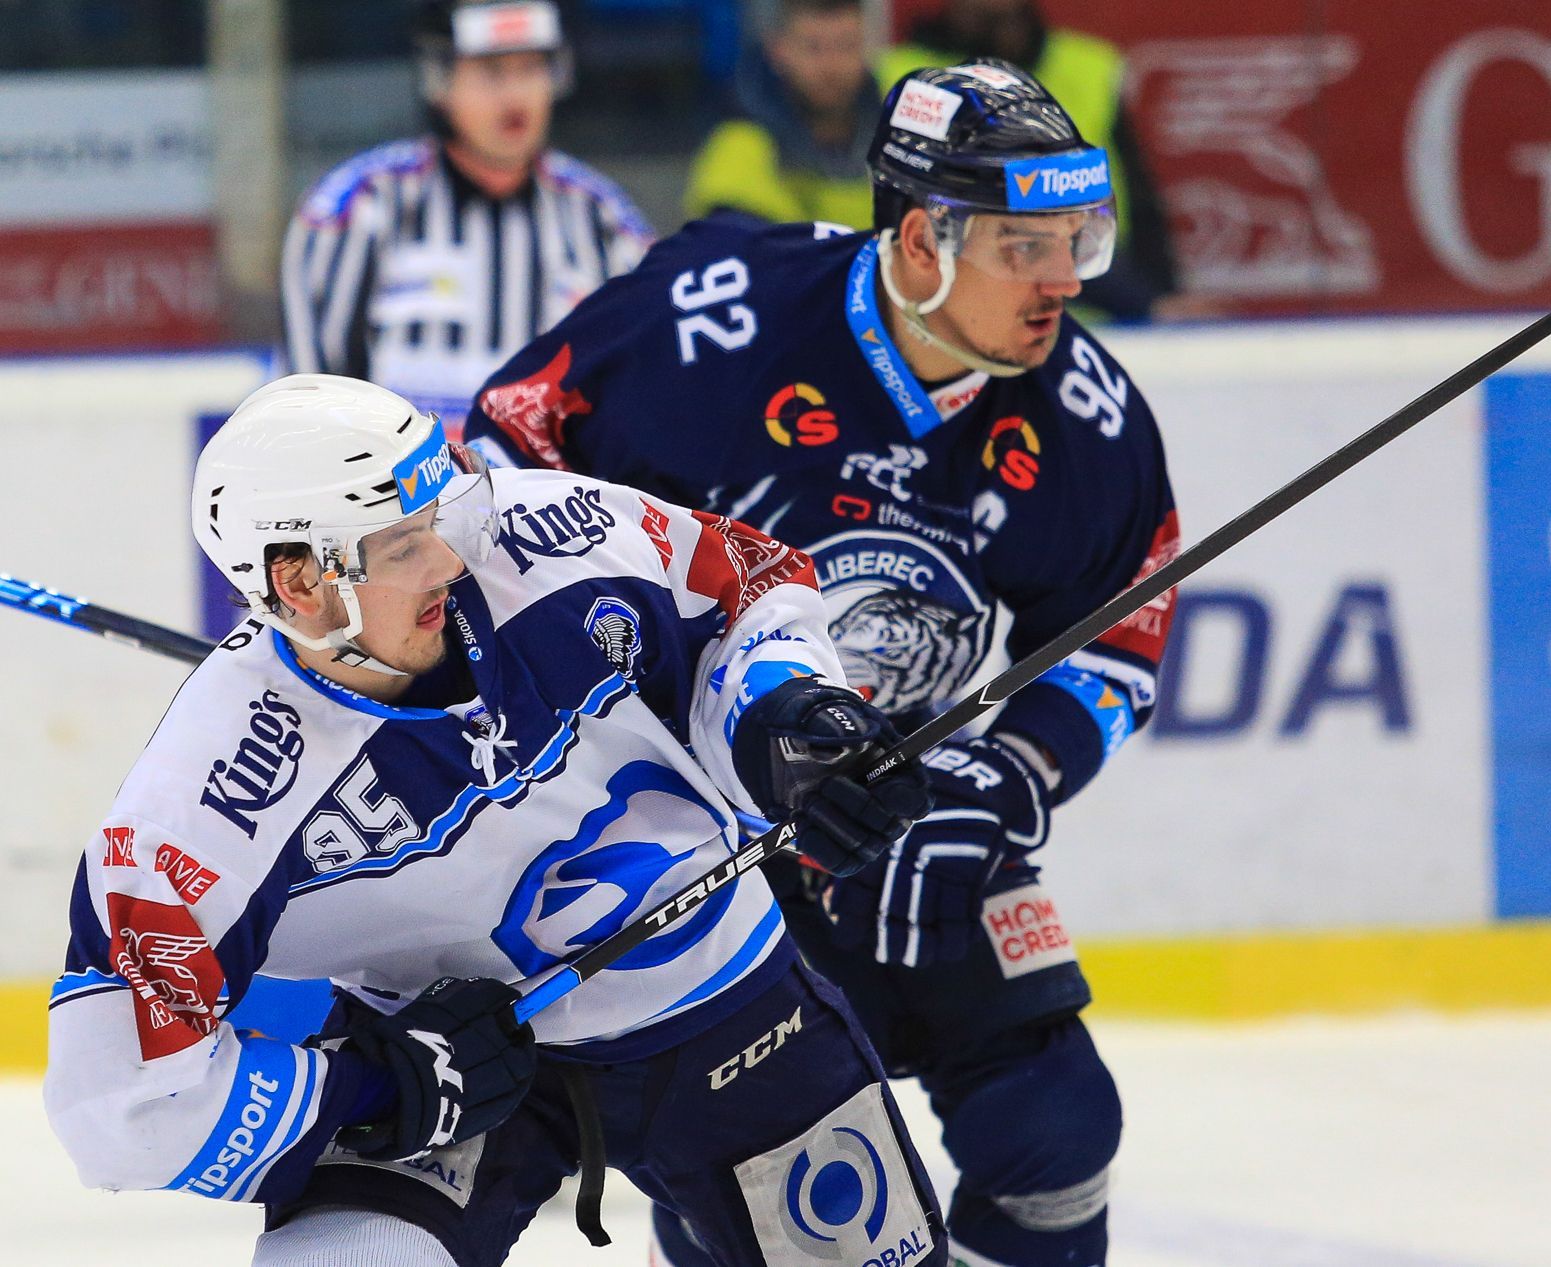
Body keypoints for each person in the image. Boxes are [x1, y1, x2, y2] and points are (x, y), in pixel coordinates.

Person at [465, 61, 1179, 1267]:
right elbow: (503, 447)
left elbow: (1122, 637)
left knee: (1054, 1130)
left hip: (908, 815)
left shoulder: (1084, 415)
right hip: (699, 820)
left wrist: (1002, 784)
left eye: (1080, 239)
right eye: (1025, 247)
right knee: (772, 1195)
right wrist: (572, 685)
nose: (1063, 280)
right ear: (919, 240)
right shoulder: (714, 322)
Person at [42, 373, 949, 1267]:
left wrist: (786, 721)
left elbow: (747, 588)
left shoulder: (542, 536)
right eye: (402, 545)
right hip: (462, 1057)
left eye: (434, 519)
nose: (446, 560)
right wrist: (380, 1083)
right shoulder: (208, 797)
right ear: (303, 582)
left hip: (725, 997)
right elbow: (119, 1100)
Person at [280, 0, 654, 437]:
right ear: (439, 80)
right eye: (492, 72)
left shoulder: (605, 223)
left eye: (532, 68)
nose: (516, 96)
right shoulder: (356, 211)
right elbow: (306, 410)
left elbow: (645, 399)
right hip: (401, 502)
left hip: (559, 504)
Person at [883, 0, 1180, 322]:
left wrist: (1160, 302)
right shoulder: (911, 81)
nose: (1003, 15)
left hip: (1103, 319)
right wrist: (1141, 302)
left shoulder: (1089, 65)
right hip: (965, 317)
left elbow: (1140, 201)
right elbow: (1011, 229)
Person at [683, 0, 883, 229]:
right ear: (778, 51)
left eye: (846, 46)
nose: (831, 66)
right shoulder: (740, 144)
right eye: (813, 48)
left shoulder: (901, 120)